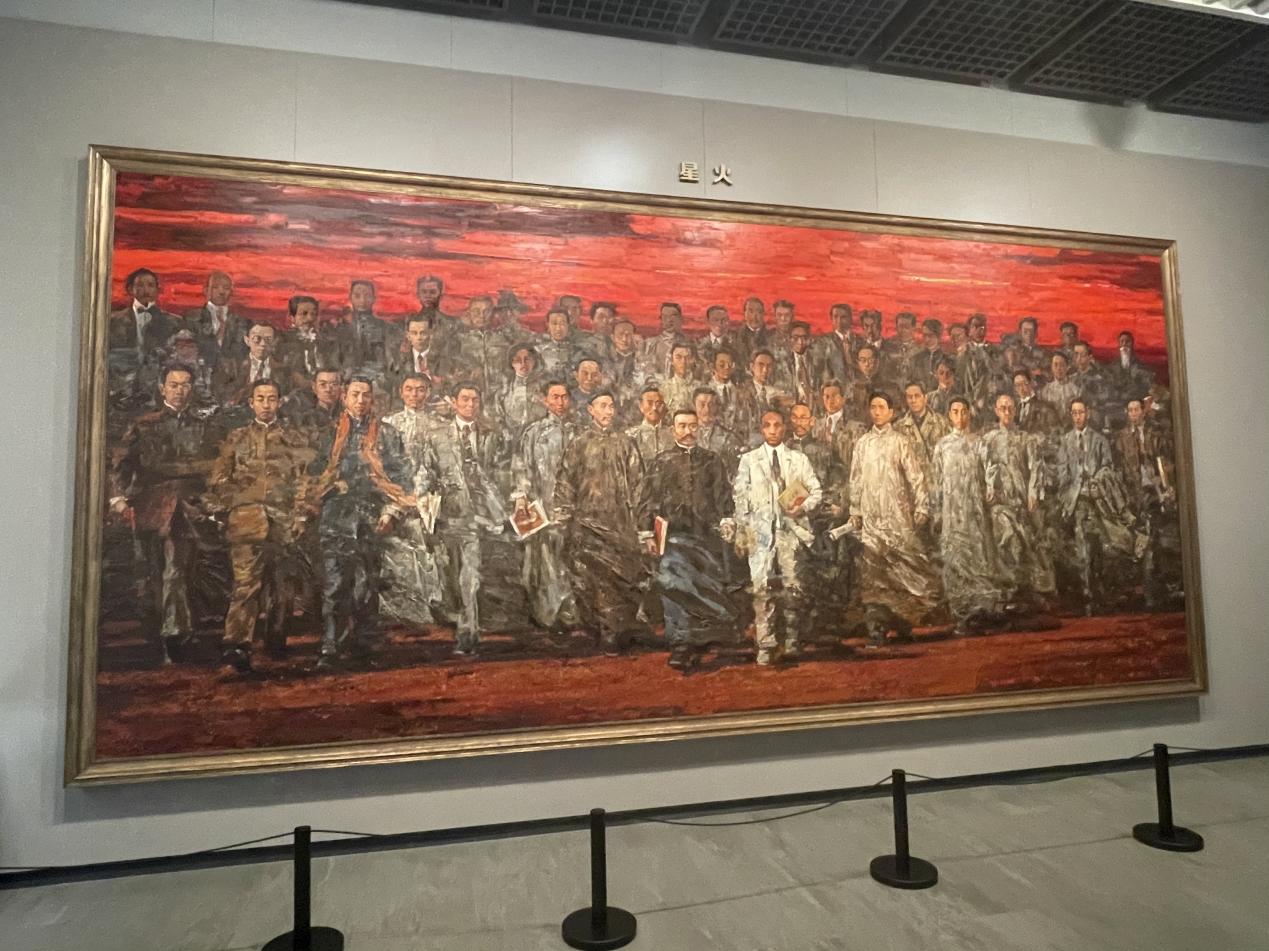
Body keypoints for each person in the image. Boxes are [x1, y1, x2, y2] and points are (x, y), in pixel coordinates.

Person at [109, 364, 221, 664]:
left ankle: (176, 634)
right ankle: (157, 630)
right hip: (149, 506)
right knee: (149, 574)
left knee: (177, 571)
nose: (180, 390)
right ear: (162, 389)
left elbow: (216, 467)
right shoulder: (144, 425)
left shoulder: (204, 426)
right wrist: (118, 500)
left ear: (192, 389)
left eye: (185, 385)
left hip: (188, 508)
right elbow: (120, 465)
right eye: (174, 384)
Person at [305, 376, 415, 668]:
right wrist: (326, 491)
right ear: (344, 397)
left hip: (372, 517)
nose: (360, 400)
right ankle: (332, 645)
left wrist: (391, 512)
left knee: (367, 584)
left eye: (366, 395)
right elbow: (311, 476)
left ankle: (365, 644)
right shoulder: (327, 434)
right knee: (335, 583)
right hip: (336, 518)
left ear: (373, 399)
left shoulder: (388, 435)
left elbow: (403, 478)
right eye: (355, 394)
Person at [206, 380, 313, 672]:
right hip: (246, 521)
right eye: (261, 399)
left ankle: (276, 639)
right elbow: (219, 479)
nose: (266, 404)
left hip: (284, 522)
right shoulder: (236, 438)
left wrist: (300, 515)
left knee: (283, 585)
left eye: (272, 398)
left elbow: (304, 480)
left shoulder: (294, 438)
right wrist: (231, 506)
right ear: (251, 403)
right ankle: (237, 644)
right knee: (246, 585)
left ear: (279, 402)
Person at [553, 391, 648, 655]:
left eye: (611, 406)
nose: (608, 411)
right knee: (586, 579)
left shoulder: (626, 443)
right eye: (602, 406)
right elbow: (565, 480)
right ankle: (596, 627)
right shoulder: (579, 444)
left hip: (619, 524)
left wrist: (641, 521)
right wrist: (563, 513)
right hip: (585, 523)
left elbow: (639, 484)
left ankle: (612, 633)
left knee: (616, 580)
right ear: (590, 410)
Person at [642, 408, 736, 671]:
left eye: (692, 426)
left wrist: (727, 520)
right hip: (673, 537)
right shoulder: (661, 462)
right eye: (682, 426)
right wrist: (647, 533)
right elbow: (648, 500)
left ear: (699, 428)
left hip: (706, 537)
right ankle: (681, 645)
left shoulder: (712, 460)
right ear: (673, 429)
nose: (687, 431)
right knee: (675, 588)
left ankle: (704, 639)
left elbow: (723, 495)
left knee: (704, 587)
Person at [848, 392, 941, 645]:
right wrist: (855, 511)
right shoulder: (863, 444)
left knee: (902, 571)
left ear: (891, 412)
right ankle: (876, 628)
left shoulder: (901, 442)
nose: (877, 412)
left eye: (882, 407)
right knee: (874, 572)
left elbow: (916, 477)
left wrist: (922, 506)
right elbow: (855, 479)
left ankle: (902, 623)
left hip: (898, 518)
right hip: (871, 519)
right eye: (873, 407)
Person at [424, 383, 510, 655]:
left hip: (481, 517)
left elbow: (506, 470)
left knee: (470, 578)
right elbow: (426, 472)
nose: (470, 404)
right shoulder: (437, 436)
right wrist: (425, 502)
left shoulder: (493, 435)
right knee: (449, 577)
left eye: (475, 400)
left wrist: (507, 503)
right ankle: (457, 619)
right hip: (449, 516)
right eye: (465, 399)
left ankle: (467, 634)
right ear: (454, 402)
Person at [732, 409, 822, 665]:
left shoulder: (798, 459)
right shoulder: (749, 460)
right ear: (762, 429)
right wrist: (743, 529)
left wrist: (801, 507)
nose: (772, 430)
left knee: (793, 586)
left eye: (777, 425)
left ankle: (792, 638)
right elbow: (740, 497)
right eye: (767, 425)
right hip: (760, 535)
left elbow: (816, 491)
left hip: (790, 532)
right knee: (762, 589)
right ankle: (765, 643)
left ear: (784, 428)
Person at [930, 398, 1003, 635]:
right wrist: (937, 512)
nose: (960, 416)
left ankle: (982, 612)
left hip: (975, 510)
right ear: (949, 415)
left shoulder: (979, 442)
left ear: (969, 414)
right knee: (955, 559)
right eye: (955, 412)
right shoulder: (942, 446)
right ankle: (961, 614)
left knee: (978, 556)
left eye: (964, 412)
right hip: (952, 513)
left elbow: (991, 469)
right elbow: (936, 482)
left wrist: (991, 488)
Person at [512, 381, 580, 631]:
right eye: (555, 397)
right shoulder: (534, 433)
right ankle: (548, 615)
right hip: (542, 506)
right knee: (544, 561)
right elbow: (522, 467)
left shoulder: (578, 432)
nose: (560, 402)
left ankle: (571, 614)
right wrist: (522, 497)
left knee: (570, 559)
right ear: (545, 400)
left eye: (564, 397)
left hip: (574, 508)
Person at [379, 372, 443, 628]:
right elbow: (383, 466)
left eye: (420, 390)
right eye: (409, 389)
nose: (414, 395)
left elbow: (438, 466)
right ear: (401, 392)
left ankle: (429, 607)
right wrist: (397, 498)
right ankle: (399, 611)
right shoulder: (388, 423)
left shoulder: (439, 424)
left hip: (428, 499)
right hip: (395, 496)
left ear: (428, 393)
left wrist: (422, 496)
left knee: (427, 546)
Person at [980, 393, 1056, 608]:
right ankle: (1009, 590)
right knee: (1008, 539)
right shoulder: (988, 440)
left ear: (1015, 411)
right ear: (996, 411)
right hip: (1001, 502)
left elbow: (1036, 468)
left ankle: (1031, 591)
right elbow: (984, 469)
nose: (1006, 412)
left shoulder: (1026, 439)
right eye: (1002, 408)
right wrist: (989, 489)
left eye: (1010, 408)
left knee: (1029, 543)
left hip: (1023, 502)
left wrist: (1032, 493)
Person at [1058, 398, 1121, 615]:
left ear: (1088, 413)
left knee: (1099, 546)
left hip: (1098, 500)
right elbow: (1062, 474)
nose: (1078, 417)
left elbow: (1108, 467)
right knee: (1082, 547)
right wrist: (1068, 496)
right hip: (1078, 501)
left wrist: (1096, 482)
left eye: (1081, 412)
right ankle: (1086, 593)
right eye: (1074, 413)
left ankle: (1099, 591)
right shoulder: (1066, 441)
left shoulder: (1100, 440)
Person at [212, 321, 288, 408]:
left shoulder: (283, 371)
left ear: (274, 341)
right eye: (256, 339)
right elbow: (220, 396)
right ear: (247, 341)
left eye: (268, 339)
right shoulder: (230, 366)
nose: (263, 344)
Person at [894, 381, 952, 489]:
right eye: (909, 397)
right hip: (912, 488)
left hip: (937, 485)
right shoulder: (899, 428)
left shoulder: (942, 423)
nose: (913, 400)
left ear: (925, 398)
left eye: (917, 396)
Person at [183, 271, 246, 365]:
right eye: (215, 287)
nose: (221, 292)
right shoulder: (192, 318)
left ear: (231, 292)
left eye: (226, 288)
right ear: (206, 290)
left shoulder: (240, 321)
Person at [276, 295, 337, 391]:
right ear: (292, 318)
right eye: (304, 314)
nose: (309, 318)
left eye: (313, 314)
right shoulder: (283, 340)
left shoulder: (326, 342)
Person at [497, 343, 546, 442]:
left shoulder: (544, 387)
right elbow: (498, 417)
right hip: (512, 439)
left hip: (540, 438)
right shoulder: (504, 390)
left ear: (534, 361)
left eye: (527, 359)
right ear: (512, 363)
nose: (523, 364)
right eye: (518, 360)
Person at [811, 303, 854, 392]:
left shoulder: (859, 341)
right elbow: (817, 370)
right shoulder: (822, 342)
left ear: (850, 319)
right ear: (831, 319)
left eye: (843, 317)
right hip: (833, 391)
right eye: (835, 317)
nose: (839, 321)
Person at [626, 385, 675, 463]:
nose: (654, 408)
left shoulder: (672, 434)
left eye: (658, 403)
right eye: (650, 403)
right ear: (641, 406)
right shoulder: (630, 435)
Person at [639, 302, 686, 381]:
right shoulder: (650, 344)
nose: (669, 320)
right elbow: (645, 370)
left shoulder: (689, 343)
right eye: (665, 316)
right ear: (660, 319)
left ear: (680, 319)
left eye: (673, 316)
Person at [780, 321, 816, 406]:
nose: (800, 342)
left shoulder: (816, 360)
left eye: (804, 338)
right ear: (789, 339)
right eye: (795, 338)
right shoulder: (781, 362)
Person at [659, 342, 698, 416]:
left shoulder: (700, 387)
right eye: (678, 357)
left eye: (687, 357)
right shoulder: (664, 388)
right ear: (672, 361)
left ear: (693, 360)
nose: (683, 362)